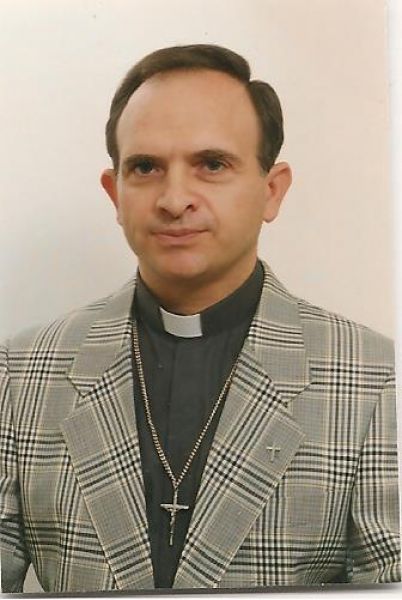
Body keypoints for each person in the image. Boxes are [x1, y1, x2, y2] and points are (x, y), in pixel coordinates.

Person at [0, 44, 400, 593]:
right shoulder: (21, 372)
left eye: (212, 164)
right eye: (145, 167)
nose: (174, 199)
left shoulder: (377, 379)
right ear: (115, 193)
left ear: (271, 190)